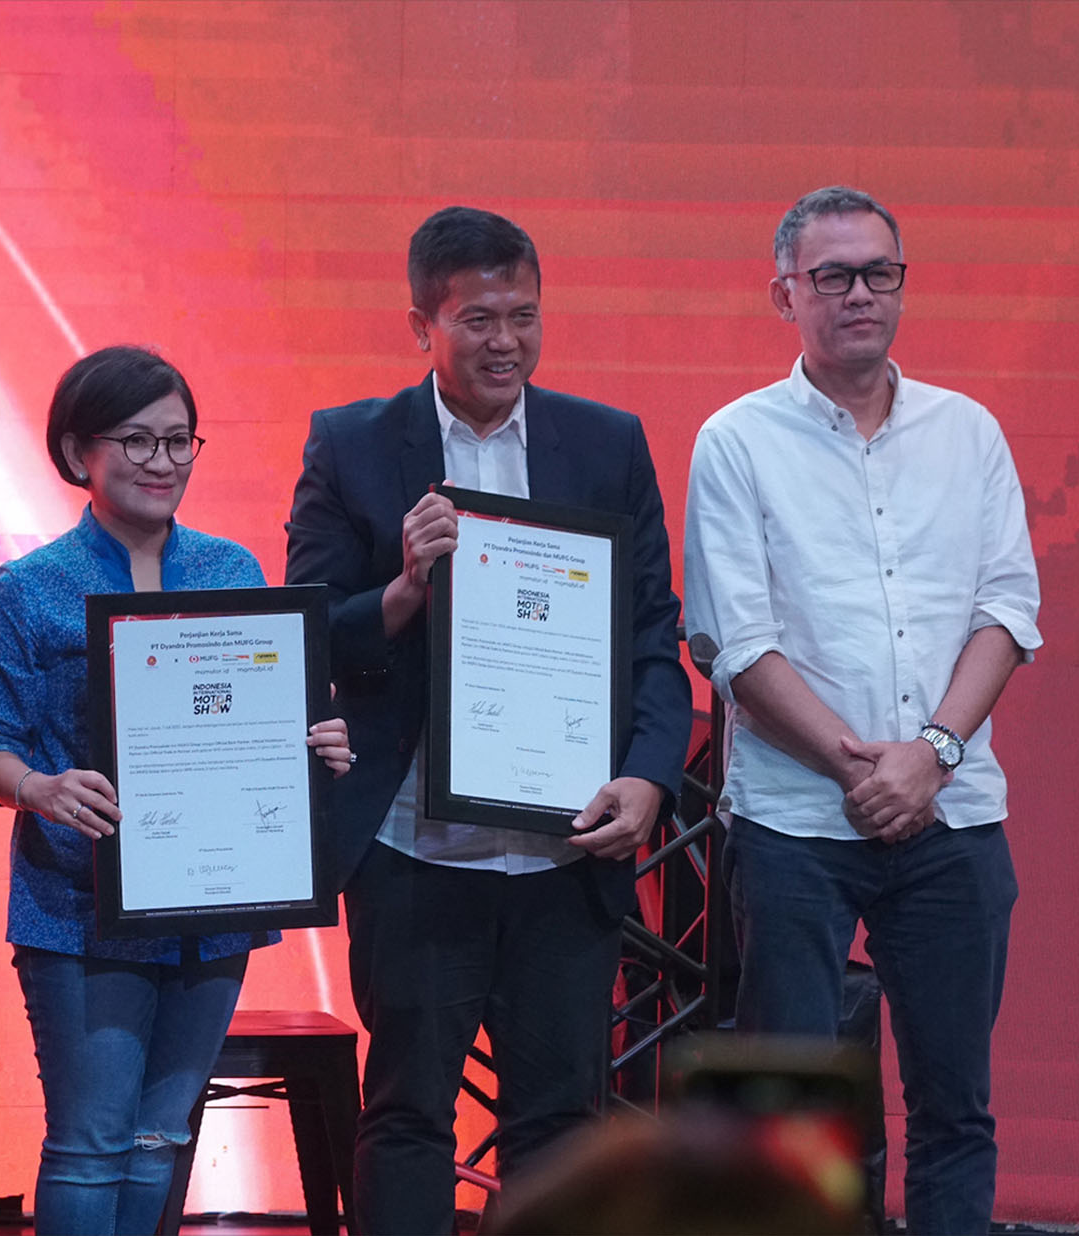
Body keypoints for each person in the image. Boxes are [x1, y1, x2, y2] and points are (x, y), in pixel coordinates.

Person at [284, 207, 692, 1232]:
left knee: (558, 1124)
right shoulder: (351, 445)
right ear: (420, 325)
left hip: (565, 850)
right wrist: (402, 590)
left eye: (523, 316)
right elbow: (308, 632)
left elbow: (652, 631)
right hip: (415, 849)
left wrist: (650, 776)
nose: (504, 341)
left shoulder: (604, 443)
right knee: (407, 1113)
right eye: (476, 320)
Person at [683, 185, 1040, 1235]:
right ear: (783, 295)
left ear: (901, 285)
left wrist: (929, 756)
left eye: (878, 273)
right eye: (831, 276)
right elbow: (735, 645)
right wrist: (858, 772)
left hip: (951, 819)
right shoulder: (736, 441)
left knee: (953, 1111)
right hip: (795, 824)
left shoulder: (966, 432)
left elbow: (1006, 610)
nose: (858, 295)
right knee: (786, 1119)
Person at [0, 346, 353, 1236]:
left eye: (178, 441)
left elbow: (266, 717)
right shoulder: (27, 589)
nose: (161, 461)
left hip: (213, 903)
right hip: (79, 906)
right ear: (77, 453)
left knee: (160, 1138)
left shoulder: (231, 571)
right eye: (136, 441)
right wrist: (39, 788)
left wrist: (313, 743)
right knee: (89, 1146)